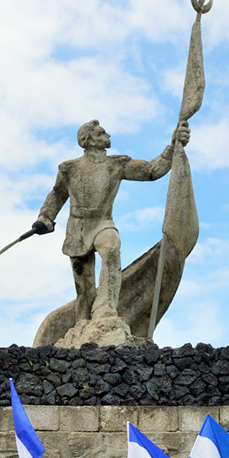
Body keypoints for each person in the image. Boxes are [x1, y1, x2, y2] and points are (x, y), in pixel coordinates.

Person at [34, 119, 190, 323]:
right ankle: (83, 326)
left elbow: (151, 170)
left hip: (102, 223)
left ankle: (105, 309)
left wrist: (173, 146)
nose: (107, 136)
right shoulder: (69, 169)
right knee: (84, 290)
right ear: (87, 140)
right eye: (101, 133)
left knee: (111, 247)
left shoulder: (117, 165)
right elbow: (57, 195)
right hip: (77, 229)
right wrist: (45, 218)